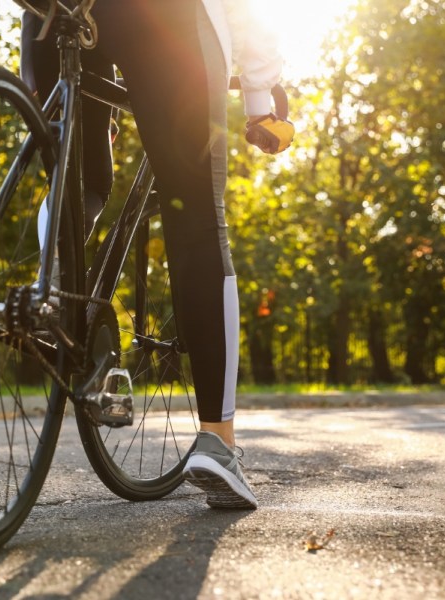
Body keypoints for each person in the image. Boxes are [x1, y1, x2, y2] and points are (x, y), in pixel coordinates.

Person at [21, 0, 294, 509]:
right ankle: (218, 443)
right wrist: (259, 95)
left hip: (53, 14)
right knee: (195, 215)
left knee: (81, 181)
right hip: (168, 18)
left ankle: (55, 292)